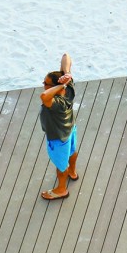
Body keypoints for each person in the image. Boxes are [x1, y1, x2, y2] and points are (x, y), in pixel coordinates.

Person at [39, 53, 79, 201]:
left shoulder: (55, 103)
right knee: (72, 152)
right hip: (70, 129)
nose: (43, 85)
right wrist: (67, 75)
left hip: (58, 138)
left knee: (61, 166)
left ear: (54, 87)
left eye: (46, 84)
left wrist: (61, 83)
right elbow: (66, 56)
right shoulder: (68, 89)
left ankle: (61, 189)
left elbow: (43, 97)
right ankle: (73, 172)